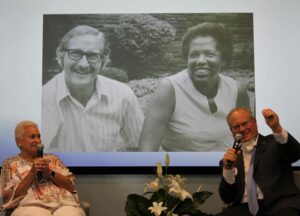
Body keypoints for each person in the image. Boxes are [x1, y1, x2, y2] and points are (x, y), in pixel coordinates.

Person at [139, 22, 251, 152]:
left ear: (223, 60)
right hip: (181, 170)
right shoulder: (170, 89)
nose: (200, 61)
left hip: (227, 169)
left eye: (209, 54)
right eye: (194, 55)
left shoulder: (236, 90)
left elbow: (247, 141)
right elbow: (146, 150)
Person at [42, 25, 144, 152]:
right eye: (75, 53)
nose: (83, 64)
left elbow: (139, 148)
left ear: (103, 61)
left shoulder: (123, 95)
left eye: (93, 55)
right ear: (61, 56)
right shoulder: (42, 100)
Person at [218, 107, 300, 216]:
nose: (242, 129)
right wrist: (228, 170)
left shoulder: (275, 143)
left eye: (245, 123)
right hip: (244, 208)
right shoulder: (230, 160)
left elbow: (295, 153)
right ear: (232, 131)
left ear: (254, 122)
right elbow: (227, 198)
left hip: (280, 206)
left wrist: (276, 128)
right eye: (236, 127)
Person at [0, 121, 86, 216]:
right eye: (32, 137)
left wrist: (50, 173)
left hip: (63, 205)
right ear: (18, 141)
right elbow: (7, 198)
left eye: (39, 136)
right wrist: (31, 174)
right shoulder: (10, 164)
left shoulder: (53, 159)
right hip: (30, 207)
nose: (38, 140)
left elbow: (71, 186)